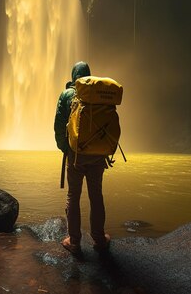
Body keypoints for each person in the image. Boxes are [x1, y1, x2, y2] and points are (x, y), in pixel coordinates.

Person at [54, 61, 111, 255]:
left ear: (72, 77)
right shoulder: (98, 93)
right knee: (96, 196)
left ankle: (75, 241)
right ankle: (99, 238)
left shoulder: (67, 95)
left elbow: (59, 127)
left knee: (73, 195)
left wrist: (66, 148)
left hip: (76, 155)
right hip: (98, 154)